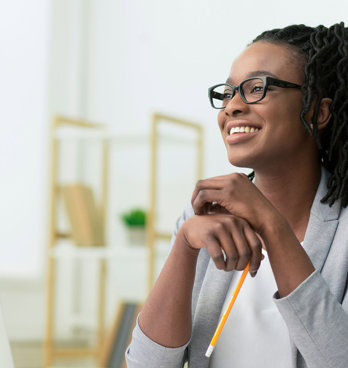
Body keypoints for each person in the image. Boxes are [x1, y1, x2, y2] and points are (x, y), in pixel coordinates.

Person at [125, 23, 348, 368]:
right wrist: (184, 247)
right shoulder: (204, 215)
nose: (232, 107)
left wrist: (271, 225)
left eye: (257, 88)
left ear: (318, 111)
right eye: (227, 94)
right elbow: (144, 364)